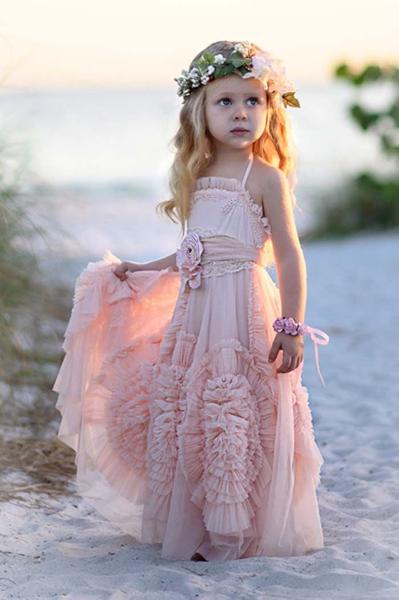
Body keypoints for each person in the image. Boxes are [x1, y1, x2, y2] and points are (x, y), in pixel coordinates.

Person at [52, 40, 330, 562]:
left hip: (242, 307)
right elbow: (192, 251)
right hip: (197, 310)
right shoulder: (196, 178)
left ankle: (236, 526)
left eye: (253, 101)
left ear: (270, 110)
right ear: (200, 110)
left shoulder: (265, 178)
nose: (241, 113)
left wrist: (291, 325)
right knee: (192, 410)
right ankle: (198, 521)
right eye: (226, 101)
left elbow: (290, 257)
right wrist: (142, 269)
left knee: (237, 407)